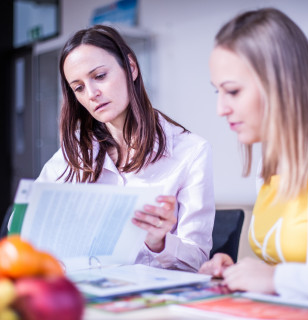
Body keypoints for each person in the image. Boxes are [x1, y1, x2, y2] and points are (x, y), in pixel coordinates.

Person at [36, 24, 215, 272]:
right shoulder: (75, 152)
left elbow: (198, 261)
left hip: (151, 302)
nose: (91, 93)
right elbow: (23, 224)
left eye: (99, 76)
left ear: (131, 68)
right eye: (78, 87)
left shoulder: (191, 151)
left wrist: (159, 241)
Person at [199, 8, 308, 301]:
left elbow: (286, 276)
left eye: (232, 91)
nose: (221, 109)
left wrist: (275, 278)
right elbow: (294, 267)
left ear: (282, 84)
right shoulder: (269, 164)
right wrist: (243, 272)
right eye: (217, 92)